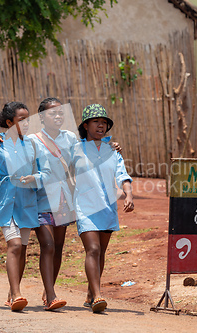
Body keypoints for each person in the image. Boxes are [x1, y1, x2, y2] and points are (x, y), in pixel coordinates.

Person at [0, 98, 122, 310]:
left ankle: (46, 292)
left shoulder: (71, 138)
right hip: (39, 199)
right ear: (41, 117)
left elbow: (89, 146)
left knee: (57, 247)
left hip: (64, 199)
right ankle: (27, 293)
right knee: (44, 245)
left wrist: (110, 144)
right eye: (53, 114)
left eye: (61, 113)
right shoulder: (32, 139)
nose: (58, 116)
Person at [0, 101, 52, 311]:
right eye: (22, 120)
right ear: (9, 122)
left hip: (27, 203)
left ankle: (12, 294)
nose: (27, 123)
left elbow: (45, 172)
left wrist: (34, 178)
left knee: (23, 250)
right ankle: (18, 295)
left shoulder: (33, 144)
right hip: (5, 202)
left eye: (28, 119)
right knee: (15, 245)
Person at [72, 104, 134, 313]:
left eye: (104, 122)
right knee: (93, 249)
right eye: (96, 121)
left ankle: (91, 293)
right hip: (85, 206)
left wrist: (128, 194)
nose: (101, 125)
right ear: (86, 125)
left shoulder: (112, 151)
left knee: (101, 253)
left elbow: (122, 174)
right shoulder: (75, 148)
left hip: (107, 208)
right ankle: (98, 296)